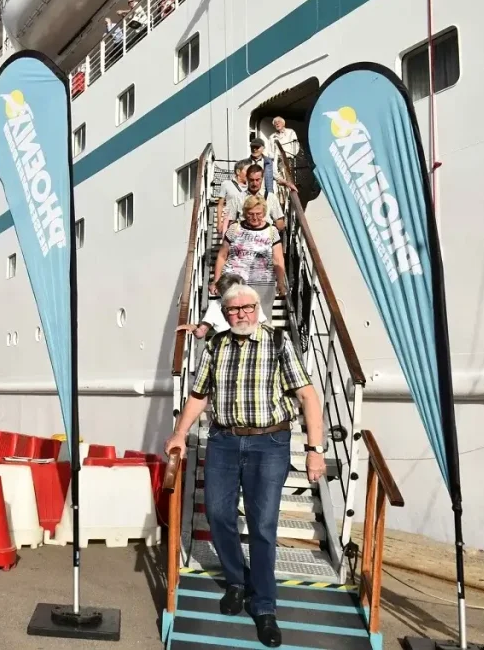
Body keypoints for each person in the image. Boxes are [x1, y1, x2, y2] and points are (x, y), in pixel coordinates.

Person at [164, 284, 325, 648]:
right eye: (233, 310)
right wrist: (179, 434)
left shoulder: (279, 341)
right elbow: (199, 395)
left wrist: (315, 450)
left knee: (263, 524)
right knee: (219, 514)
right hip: (223, 440)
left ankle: (265, 605)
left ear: (257, 308)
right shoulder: (216, 346)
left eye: (247, 308)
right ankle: (236, 581)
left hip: (270, 443)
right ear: (224, 313)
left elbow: (307, 396)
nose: (241, 314)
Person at [212, 196, 287, 326]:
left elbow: (278, 259)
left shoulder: (272, 231)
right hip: (235, 283)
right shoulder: (234, 228)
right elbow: (222, 255)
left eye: (258, 214)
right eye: (251, 214)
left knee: (262, 321)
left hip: (263, 283)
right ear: (245, 213)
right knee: (234, 319)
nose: (255, 217)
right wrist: (216, 280)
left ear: (264, 213)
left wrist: (280, 282)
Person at [176, 273, 267, 339]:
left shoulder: (252, 301)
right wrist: (193, 328)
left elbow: (265, 324)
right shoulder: (215, 306)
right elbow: (201, 332)